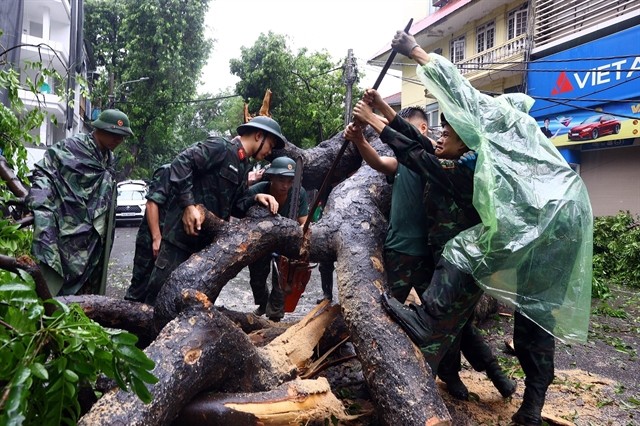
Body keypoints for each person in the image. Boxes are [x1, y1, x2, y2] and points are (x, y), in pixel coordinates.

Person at [386, 31, 592, 425]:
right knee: (537, 314)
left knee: (464, 251)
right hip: (564, 219)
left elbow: (457, 90)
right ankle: (531, 407)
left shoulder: (495, 122)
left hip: (542, 221)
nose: (448, 128)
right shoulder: (519, 140)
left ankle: (428, 319)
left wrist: (413, 50)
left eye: (450, 124)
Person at [347, 100, 514, 400]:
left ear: (464, 143)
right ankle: (496, 379)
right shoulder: (453, 158)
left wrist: (372, 119)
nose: (439, 137)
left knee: (445, 328)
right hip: (438, 258)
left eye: (446, 134)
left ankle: (425, 387)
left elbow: (415, 153)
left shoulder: (458, 170)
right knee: (454, 326)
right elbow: (416, 144)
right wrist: (383, 109)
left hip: (459, 265)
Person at [144, 116, 287, 305]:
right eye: (270, 144)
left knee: (188, 303)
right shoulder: (220, 148)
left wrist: (255, 197)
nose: (270, 151)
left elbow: (235, 205)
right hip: (179, 242)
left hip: (204, 248)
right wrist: (188, 205)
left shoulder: (243, 165)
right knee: (158, 299)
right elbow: (181, 162)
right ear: (259, 136)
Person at [27, 109, 134, 296]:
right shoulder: (72, 147)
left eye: (122, 136)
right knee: (60, 285)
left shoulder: (109, 158)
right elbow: (43, 173)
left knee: (88, 288)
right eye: (114, 134)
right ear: (99, 129)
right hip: (69, 230)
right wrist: (42, 208)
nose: (119, 140)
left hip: (94, 237)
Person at [243, 156, 309, 321]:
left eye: (289, 180)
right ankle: (263, 303)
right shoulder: (257, 190)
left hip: (286, 243)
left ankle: (275, 316)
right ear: (271, 177)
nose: (285, 185)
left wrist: (301, 232)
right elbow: (239, 207)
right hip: (260, 241)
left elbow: (304, 222)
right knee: (257, 280)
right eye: (281, 180)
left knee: (281, 280)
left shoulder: (298, 193)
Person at [124, 164, 171, 302]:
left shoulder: (193, 178)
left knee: (161, 289)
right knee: (140, 287)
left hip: (170, 243)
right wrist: (156, 238)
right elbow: (151, 204)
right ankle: (127, 319)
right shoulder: (168, 171)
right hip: (150, 239)